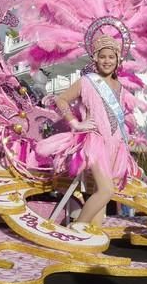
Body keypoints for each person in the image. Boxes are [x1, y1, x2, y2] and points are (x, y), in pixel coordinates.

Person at [36, 34, 139, 230]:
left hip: (115, 145)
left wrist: (127, 138)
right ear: (95, 59)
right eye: (102, 56)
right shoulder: (87, 81)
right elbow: (61, 100)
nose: (107, 61)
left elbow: (120, 115)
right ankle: (78, 228)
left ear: (118, 59)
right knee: (106, 191)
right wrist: (76, 123)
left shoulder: (121, 87)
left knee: (99, 192)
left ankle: (92, 235)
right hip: (95, 141)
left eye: (111, 56)